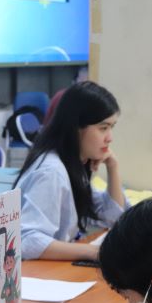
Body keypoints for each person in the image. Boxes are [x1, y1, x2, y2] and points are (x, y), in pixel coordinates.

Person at [14, 81, 128, 261]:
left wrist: (113, 167)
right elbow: (27, 240)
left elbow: (113, 217)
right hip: (33, 273)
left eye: (111, 128)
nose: (110, 138)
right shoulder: (52, 171)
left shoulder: (75, 163)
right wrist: (94, 253)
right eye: (103, 128)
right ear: (76, 128)